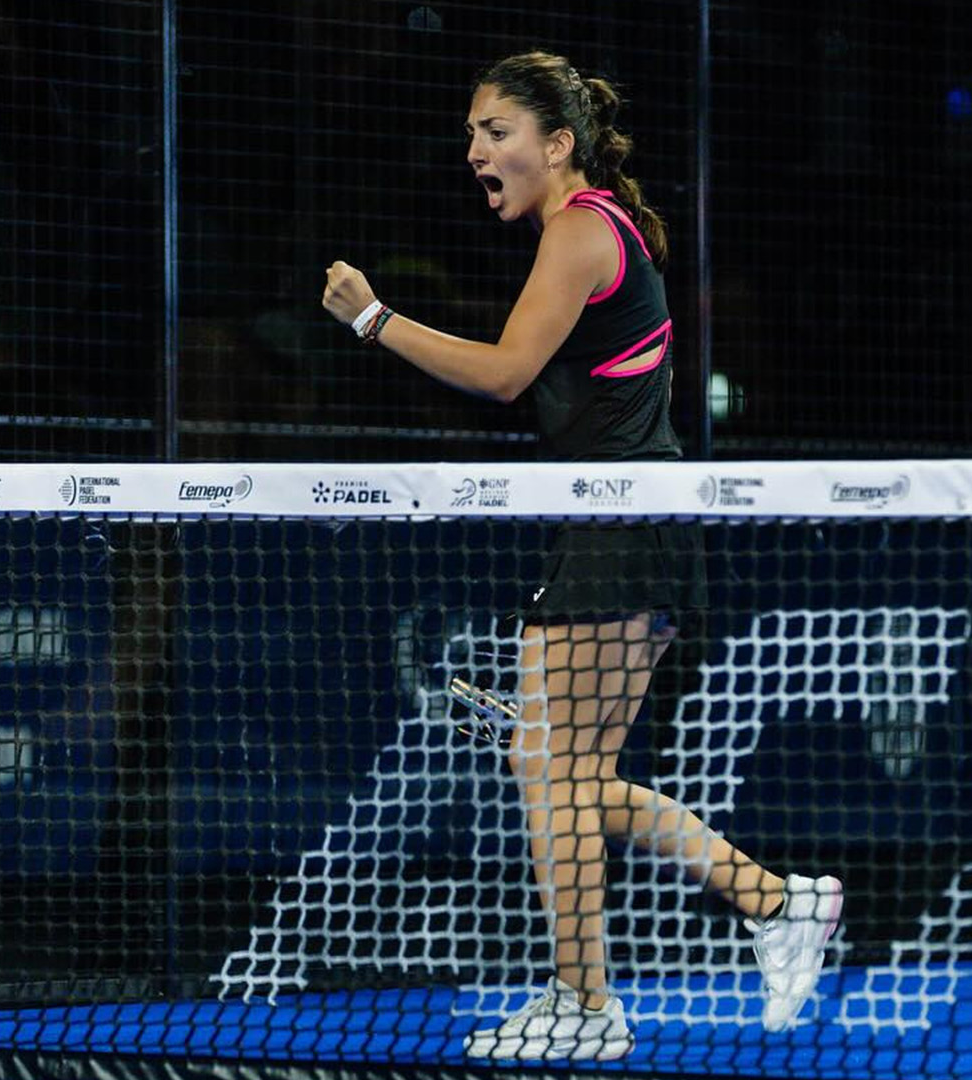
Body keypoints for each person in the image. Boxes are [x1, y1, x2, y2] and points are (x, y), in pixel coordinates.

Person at [321, 50, 842, 1060]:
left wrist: (375, 321)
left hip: (622, 525)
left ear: (558, 144)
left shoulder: (578, 229)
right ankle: (776, 907)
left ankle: (592, 1002)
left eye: (497, 132)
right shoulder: (594, 228)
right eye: (471, 134)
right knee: (565, 775)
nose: (476, 151)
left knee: (552, 772)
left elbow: (507, 373)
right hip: (618, 523)